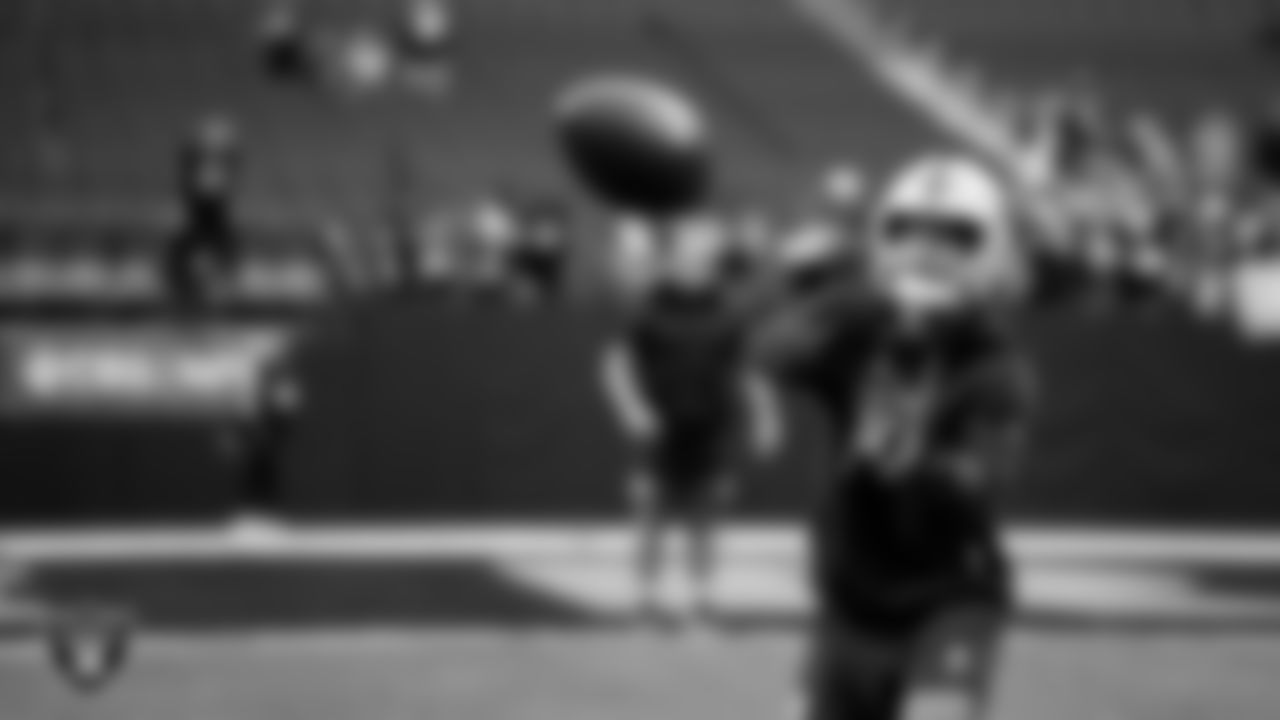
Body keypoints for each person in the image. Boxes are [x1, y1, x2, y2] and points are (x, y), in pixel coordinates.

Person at [757, 153, 1033, 720]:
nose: (926, 250)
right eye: (906, 230)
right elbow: (773, 352)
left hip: (947, 598)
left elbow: (982, 482)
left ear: (993, 249)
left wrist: (911, 462)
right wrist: (868, 303)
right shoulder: (857, 330)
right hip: (850, 599)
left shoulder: (994, 363)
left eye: (956, 235)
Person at [600, 213, 783, 629]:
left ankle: (701, 603)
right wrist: (631, 409)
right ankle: (643, 603)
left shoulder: (728, 312)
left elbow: (748, 370)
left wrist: (766, 417)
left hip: (712, 431)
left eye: (706, 255)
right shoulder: (648, 307)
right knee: (649, 515)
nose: (698, 261)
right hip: (658, 432)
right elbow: (615, 364)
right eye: (690, 253)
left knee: (707, 519)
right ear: (673, 257)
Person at [166, 114, 243, 313]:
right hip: (200, 214)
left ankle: (209, 295)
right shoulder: (195, 164)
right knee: (191, 249)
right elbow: (187, 169)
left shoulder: (223, 165)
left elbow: (232, 164)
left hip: (213, 215)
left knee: (220, 245)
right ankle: (188, 296)